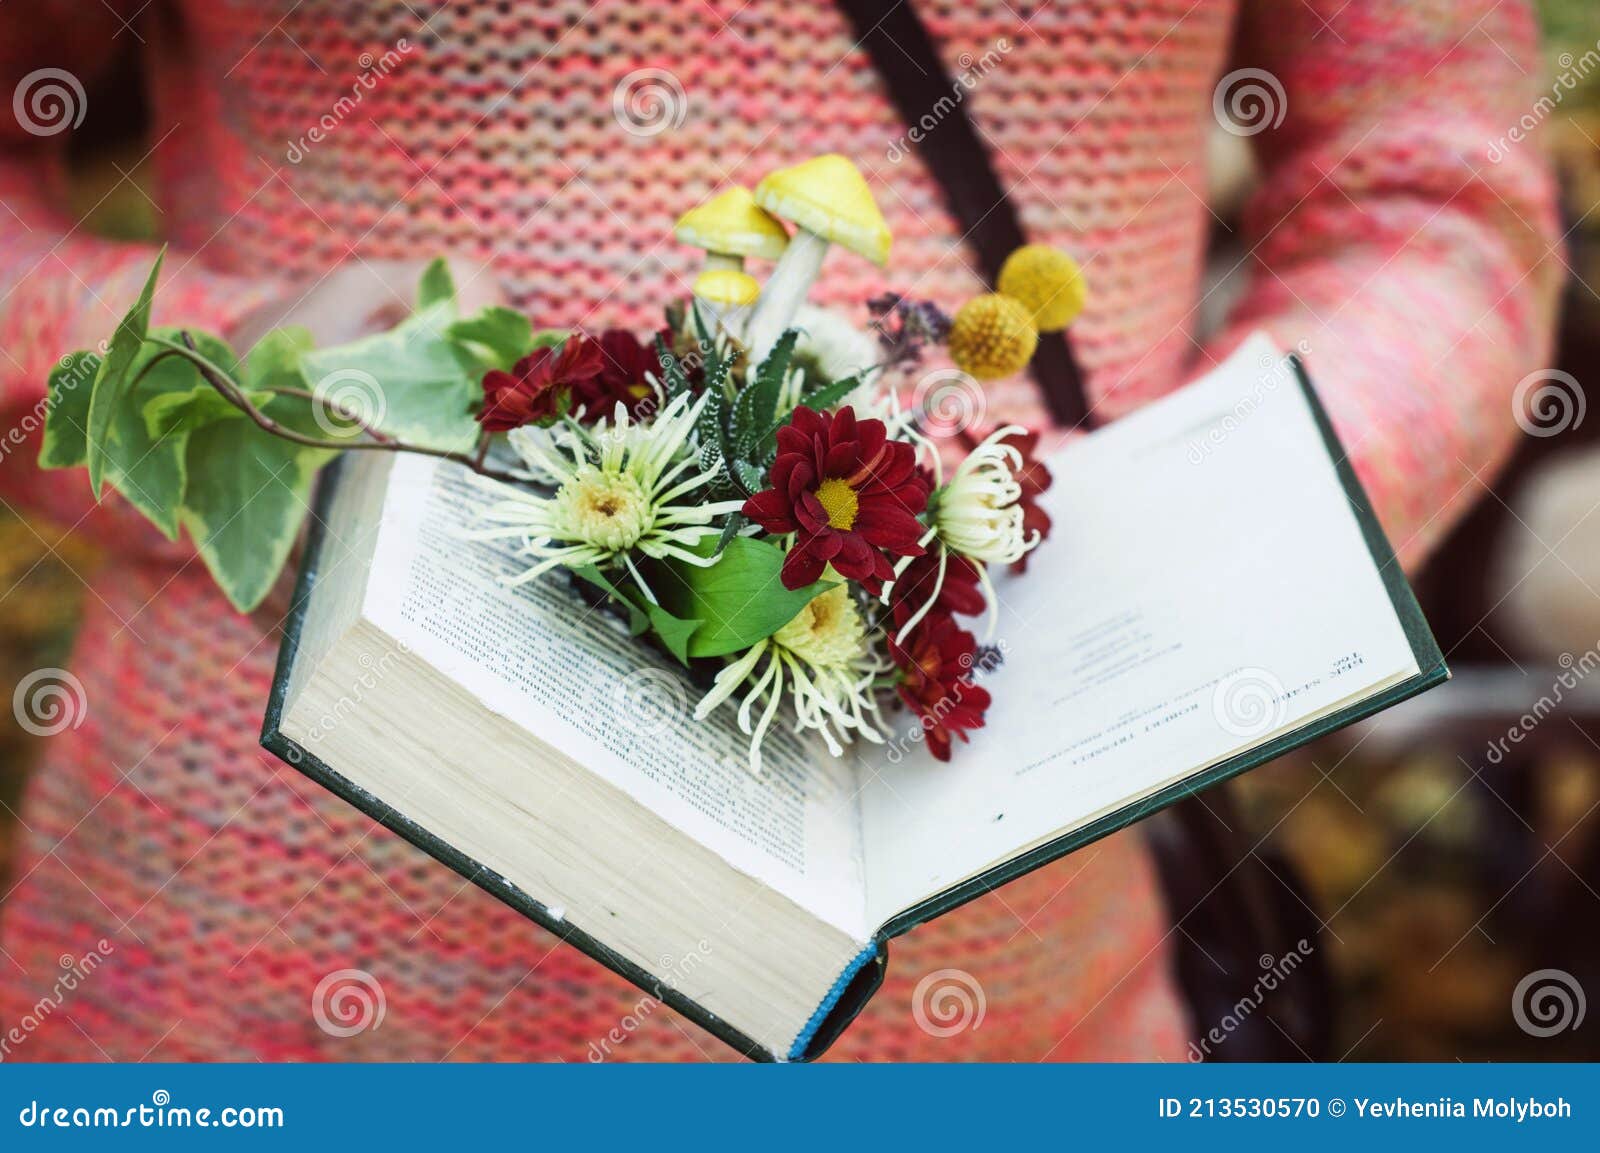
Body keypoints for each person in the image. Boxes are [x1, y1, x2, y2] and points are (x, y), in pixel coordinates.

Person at [0, 0, 1561, 1060]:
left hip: (1016, 1006)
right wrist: (209, 384)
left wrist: (1197, 529)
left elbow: (1433, 186)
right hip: (252, 971)